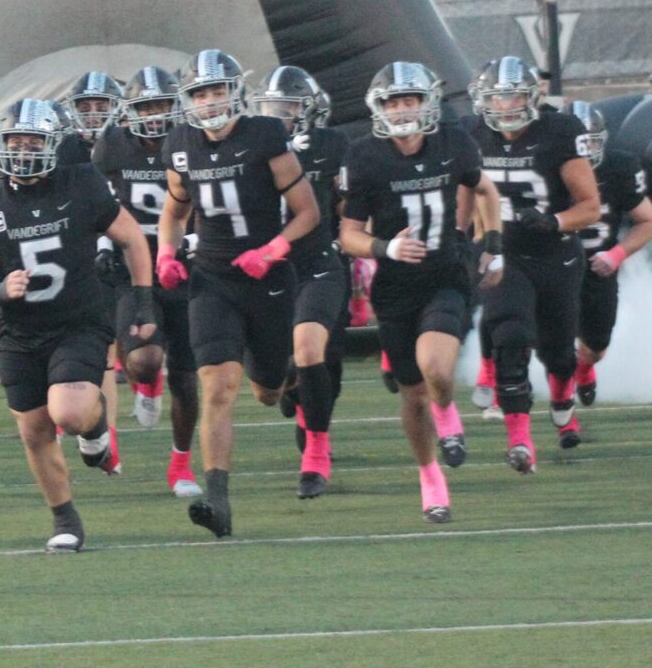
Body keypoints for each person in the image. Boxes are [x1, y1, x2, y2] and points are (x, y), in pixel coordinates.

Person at [0, 99, 156, 552]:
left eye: (34, 141)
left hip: (77, 322)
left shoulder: (82, 182)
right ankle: (65, 519)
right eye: (16, 141)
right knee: (33, 431)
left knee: (67, 413)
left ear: (54, 144)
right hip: (19, 331)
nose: (24, 150)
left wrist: (143, 302)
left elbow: (131, 239)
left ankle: (95, 429)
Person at [157, 50, 320, 538]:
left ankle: (286, 381)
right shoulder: (181, 145)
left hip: (266, 280)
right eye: (200, 93)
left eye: (217, 90)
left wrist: (272, 250)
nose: (210, 101)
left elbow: (309, 213)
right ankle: (219, 501)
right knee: (217, 386)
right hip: (212, 280)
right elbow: (174, 211)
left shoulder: (265, 137)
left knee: (265, 390)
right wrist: (166, 253)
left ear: (235, 92)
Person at [340, 63, 504, 523]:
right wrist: (383, 247)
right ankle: (429, 473)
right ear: (379, 108)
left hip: (445, 271)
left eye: (409, 100)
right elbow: (347, 235)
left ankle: (448, 411)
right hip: (394, 285)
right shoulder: (365, 157)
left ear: (425, 103)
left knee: (437, 368)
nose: (401, 109)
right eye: (392, 102)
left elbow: (485, 191)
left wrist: (493, 247)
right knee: (411, 394)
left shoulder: (453, 142)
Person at [468, 57, 600, 470]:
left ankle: (562, 396)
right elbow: (465, 200)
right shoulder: (472, 135)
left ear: (532, 96)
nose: (505, 105)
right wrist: (470, 244)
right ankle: (520, 441)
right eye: (496, 97)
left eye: (513, 95)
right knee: (510, 338)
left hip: (555, 255)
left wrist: (553, 221)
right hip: (504, 255)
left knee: (559, 354)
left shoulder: (560, 131)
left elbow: (591, 206)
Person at [93, 66, 202, 497]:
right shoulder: (112, 147)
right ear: (129, 111)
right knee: (143, 360)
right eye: (145, 106)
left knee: (188, 378)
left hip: (184, 263)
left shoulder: (191, 140)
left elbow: (210, 199)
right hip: (133, 268)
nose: (155, 116)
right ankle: (148, 382)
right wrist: (102, 246)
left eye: (161, 106)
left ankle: (180, 464)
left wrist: (194, 239)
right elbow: (102, 205)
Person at [253, 65, 349, 499]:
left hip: (315, 262)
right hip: (266, 271)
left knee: (318, 356)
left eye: (289, 107)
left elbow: (349, 202)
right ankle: (292, 385)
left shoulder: (331, 147)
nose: (280, 115)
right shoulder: (251, 146)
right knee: (269, 386)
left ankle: (317, 452)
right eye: (273, 107)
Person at [564, 101, 652, 405]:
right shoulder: (544, 171)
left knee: (596, 346)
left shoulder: (618, 167)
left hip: (598, 265)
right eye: (577, 144)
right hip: (555, 264)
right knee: (551, 333)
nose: (585, 152)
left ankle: (584, 366)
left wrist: (616, 254)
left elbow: (647, 219)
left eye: (590, 142)